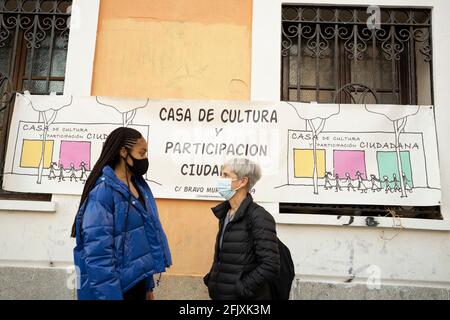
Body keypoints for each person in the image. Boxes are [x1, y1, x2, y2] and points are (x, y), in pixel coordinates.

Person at [70, 127, 172, 300]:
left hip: (137, 283)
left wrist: (148, 286)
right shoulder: (103, 193)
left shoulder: (139, 187)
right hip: (116, 288)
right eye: (142, 153)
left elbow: (144, 239)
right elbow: (98, 254)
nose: (145, 159)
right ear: (123, 152)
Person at [204, 158, 280, 300]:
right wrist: (213, 279)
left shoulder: (259, 217)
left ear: (243, 181)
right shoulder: (225, 213)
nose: (221, 179)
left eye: (226, 175)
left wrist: (242, 287)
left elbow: (270, 265)